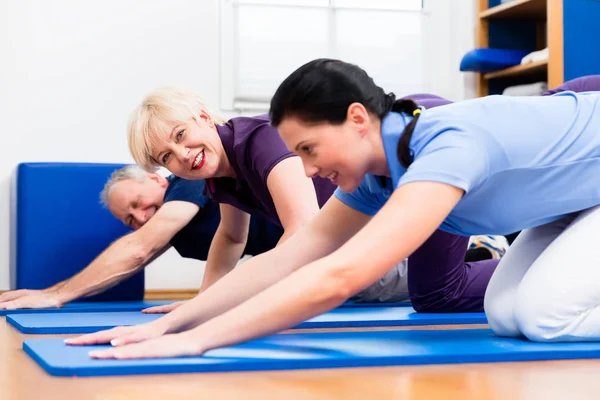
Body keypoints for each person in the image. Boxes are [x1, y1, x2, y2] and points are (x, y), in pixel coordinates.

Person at [66, 61, 600, 359]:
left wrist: (199, 342)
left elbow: (340, 274)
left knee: (541, 316)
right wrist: (176, 322)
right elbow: (294, 254)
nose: (306, 169)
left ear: (357, 120)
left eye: (308, 151)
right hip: (567, 201)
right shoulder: (370, 179)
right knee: (506, 315)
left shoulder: (442, 148)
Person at [0, 165, 283, 311]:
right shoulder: (172, 226)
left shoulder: (188, 181)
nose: (142, 218)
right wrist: (48, 293)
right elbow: (129, 264)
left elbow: (138, 249)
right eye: (130, 220)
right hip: (289, 253)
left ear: (156, 179)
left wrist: (56, 297)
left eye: (137, 203)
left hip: (307, 228)